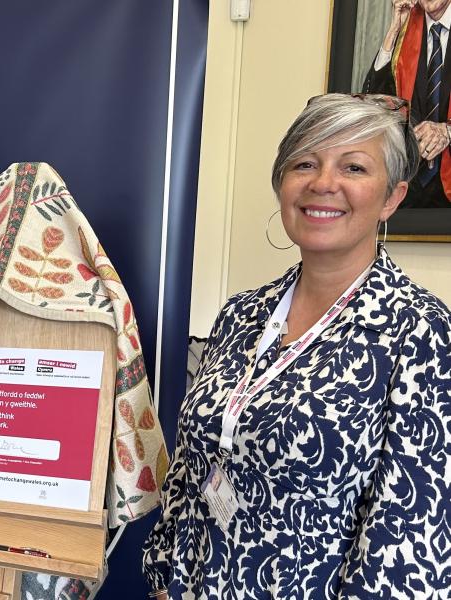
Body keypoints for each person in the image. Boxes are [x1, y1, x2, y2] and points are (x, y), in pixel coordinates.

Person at [143, 94, 451, 598]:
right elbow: (194, 465)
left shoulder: (419, 332)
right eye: (305, 162)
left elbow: (409, 539)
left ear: (392, 198)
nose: (323, 182)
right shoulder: (242, 315)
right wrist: (164, 575)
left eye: (353, 166)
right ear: (282, 184)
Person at [363, 0, 451, 208]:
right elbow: (374, 103)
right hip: (409, 189)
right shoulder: (407, 32)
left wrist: (448, 131)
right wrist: (394, 30)